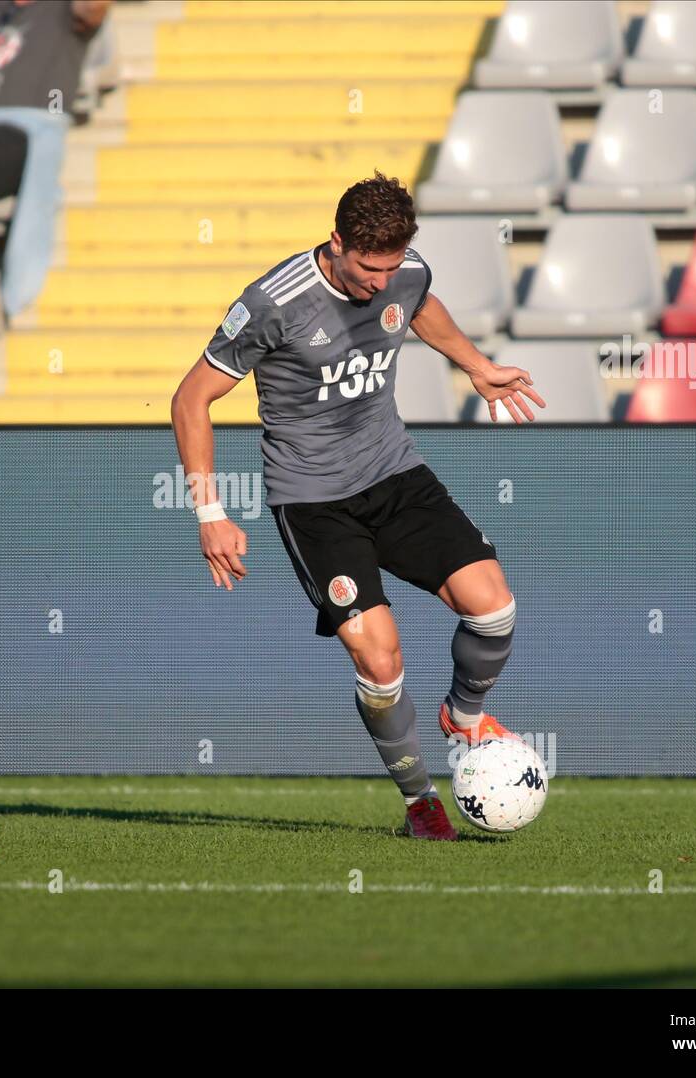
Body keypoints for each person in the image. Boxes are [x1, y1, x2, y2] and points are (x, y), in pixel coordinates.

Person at [170, 172, 547, 841]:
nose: (381, 284)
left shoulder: (404, 272)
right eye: (368, 269)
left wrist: (473, 362)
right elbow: (190, 399)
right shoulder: (272, 303)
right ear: (337, 243)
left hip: (395, 473)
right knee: (381, 662)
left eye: (392, 267)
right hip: (314, 501)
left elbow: (418, 299)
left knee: (494, 608)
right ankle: (420, 802)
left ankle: (463, 717)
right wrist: (209, 512)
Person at [0, 0, 109, 318]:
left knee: (41, 183)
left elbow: (94, 10)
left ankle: (15, 296)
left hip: (38, 117)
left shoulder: (65, 9)